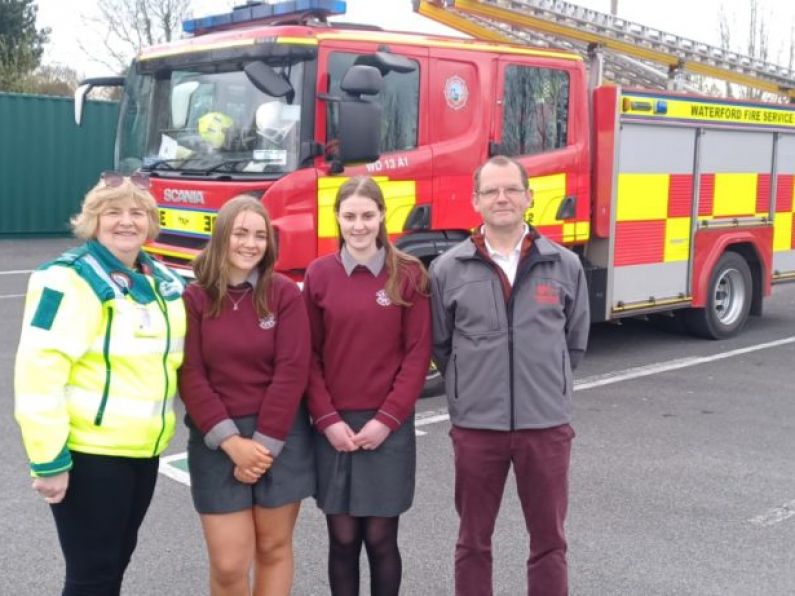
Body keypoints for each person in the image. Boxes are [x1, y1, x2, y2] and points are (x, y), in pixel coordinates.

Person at [14, 171, 186, 595]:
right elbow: (40, 373)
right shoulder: (68, 279)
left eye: (137, 212)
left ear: (151, 222)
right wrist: (49, 460)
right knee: (91, 576)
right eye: (113, 212)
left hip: (143, 453)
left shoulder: (161, 282)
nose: (126, 221)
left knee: (112, 568)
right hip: (91, 456)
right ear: (93, 220)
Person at [429, 155, 590, 596]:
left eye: (512, 189)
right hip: (477, 428)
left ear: (529, 197)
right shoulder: (448, 269)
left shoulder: (563, 265)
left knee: (549, 542)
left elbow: (573, 342)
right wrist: (470, 388)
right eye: (492, 191)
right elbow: (442, 345)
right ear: (476, 201)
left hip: (546, 426)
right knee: (473, 541)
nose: (502, 198)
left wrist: (546, 384)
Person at [178, 195, 313, 596]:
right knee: (228, 563)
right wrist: (232, 444)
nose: (250, 244)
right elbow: (191, 374)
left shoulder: (284, 294)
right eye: (240, 233)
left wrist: (263, 447)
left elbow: (292, 372)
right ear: (222, 236)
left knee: (273, 548)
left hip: (279, 438)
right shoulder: (195, 298)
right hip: (217, 440)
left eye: (259, 236)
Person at [303, 176, 431, 596]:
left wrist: (386, 420)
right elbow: (310, 357)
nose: (358, 225)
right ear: (337, 218)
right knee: (341, 540)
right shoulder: (319, 275)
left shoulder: (408, 274)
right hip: (334, 427)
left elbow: (416, 357)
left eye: (367, 215)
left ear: (381, 217)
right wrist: (327, 421)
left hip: (386, 428)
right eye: (349, 216)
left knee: (380, 539)